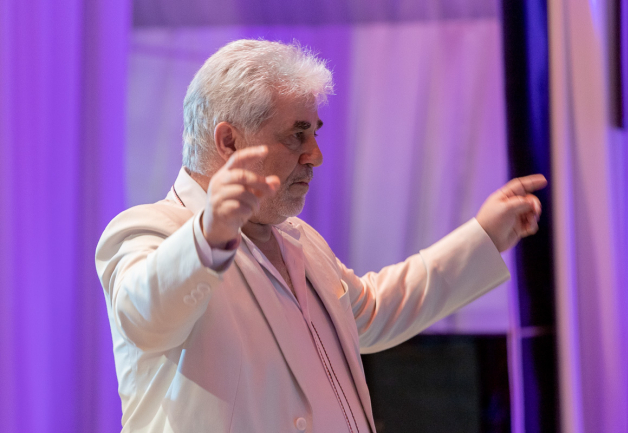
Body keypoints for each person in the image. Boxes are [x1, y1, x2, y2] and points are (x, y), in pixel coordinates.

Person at [96, 39, 546, 433]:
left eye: (314, 133)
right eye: (297, 136)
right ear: (229, 142)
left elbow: (373, 310)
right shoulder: (149, 229)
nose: (316, 155)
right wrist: (208, 236)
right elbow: (144, 316)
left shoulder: (297, 238)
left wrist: (484, 236)